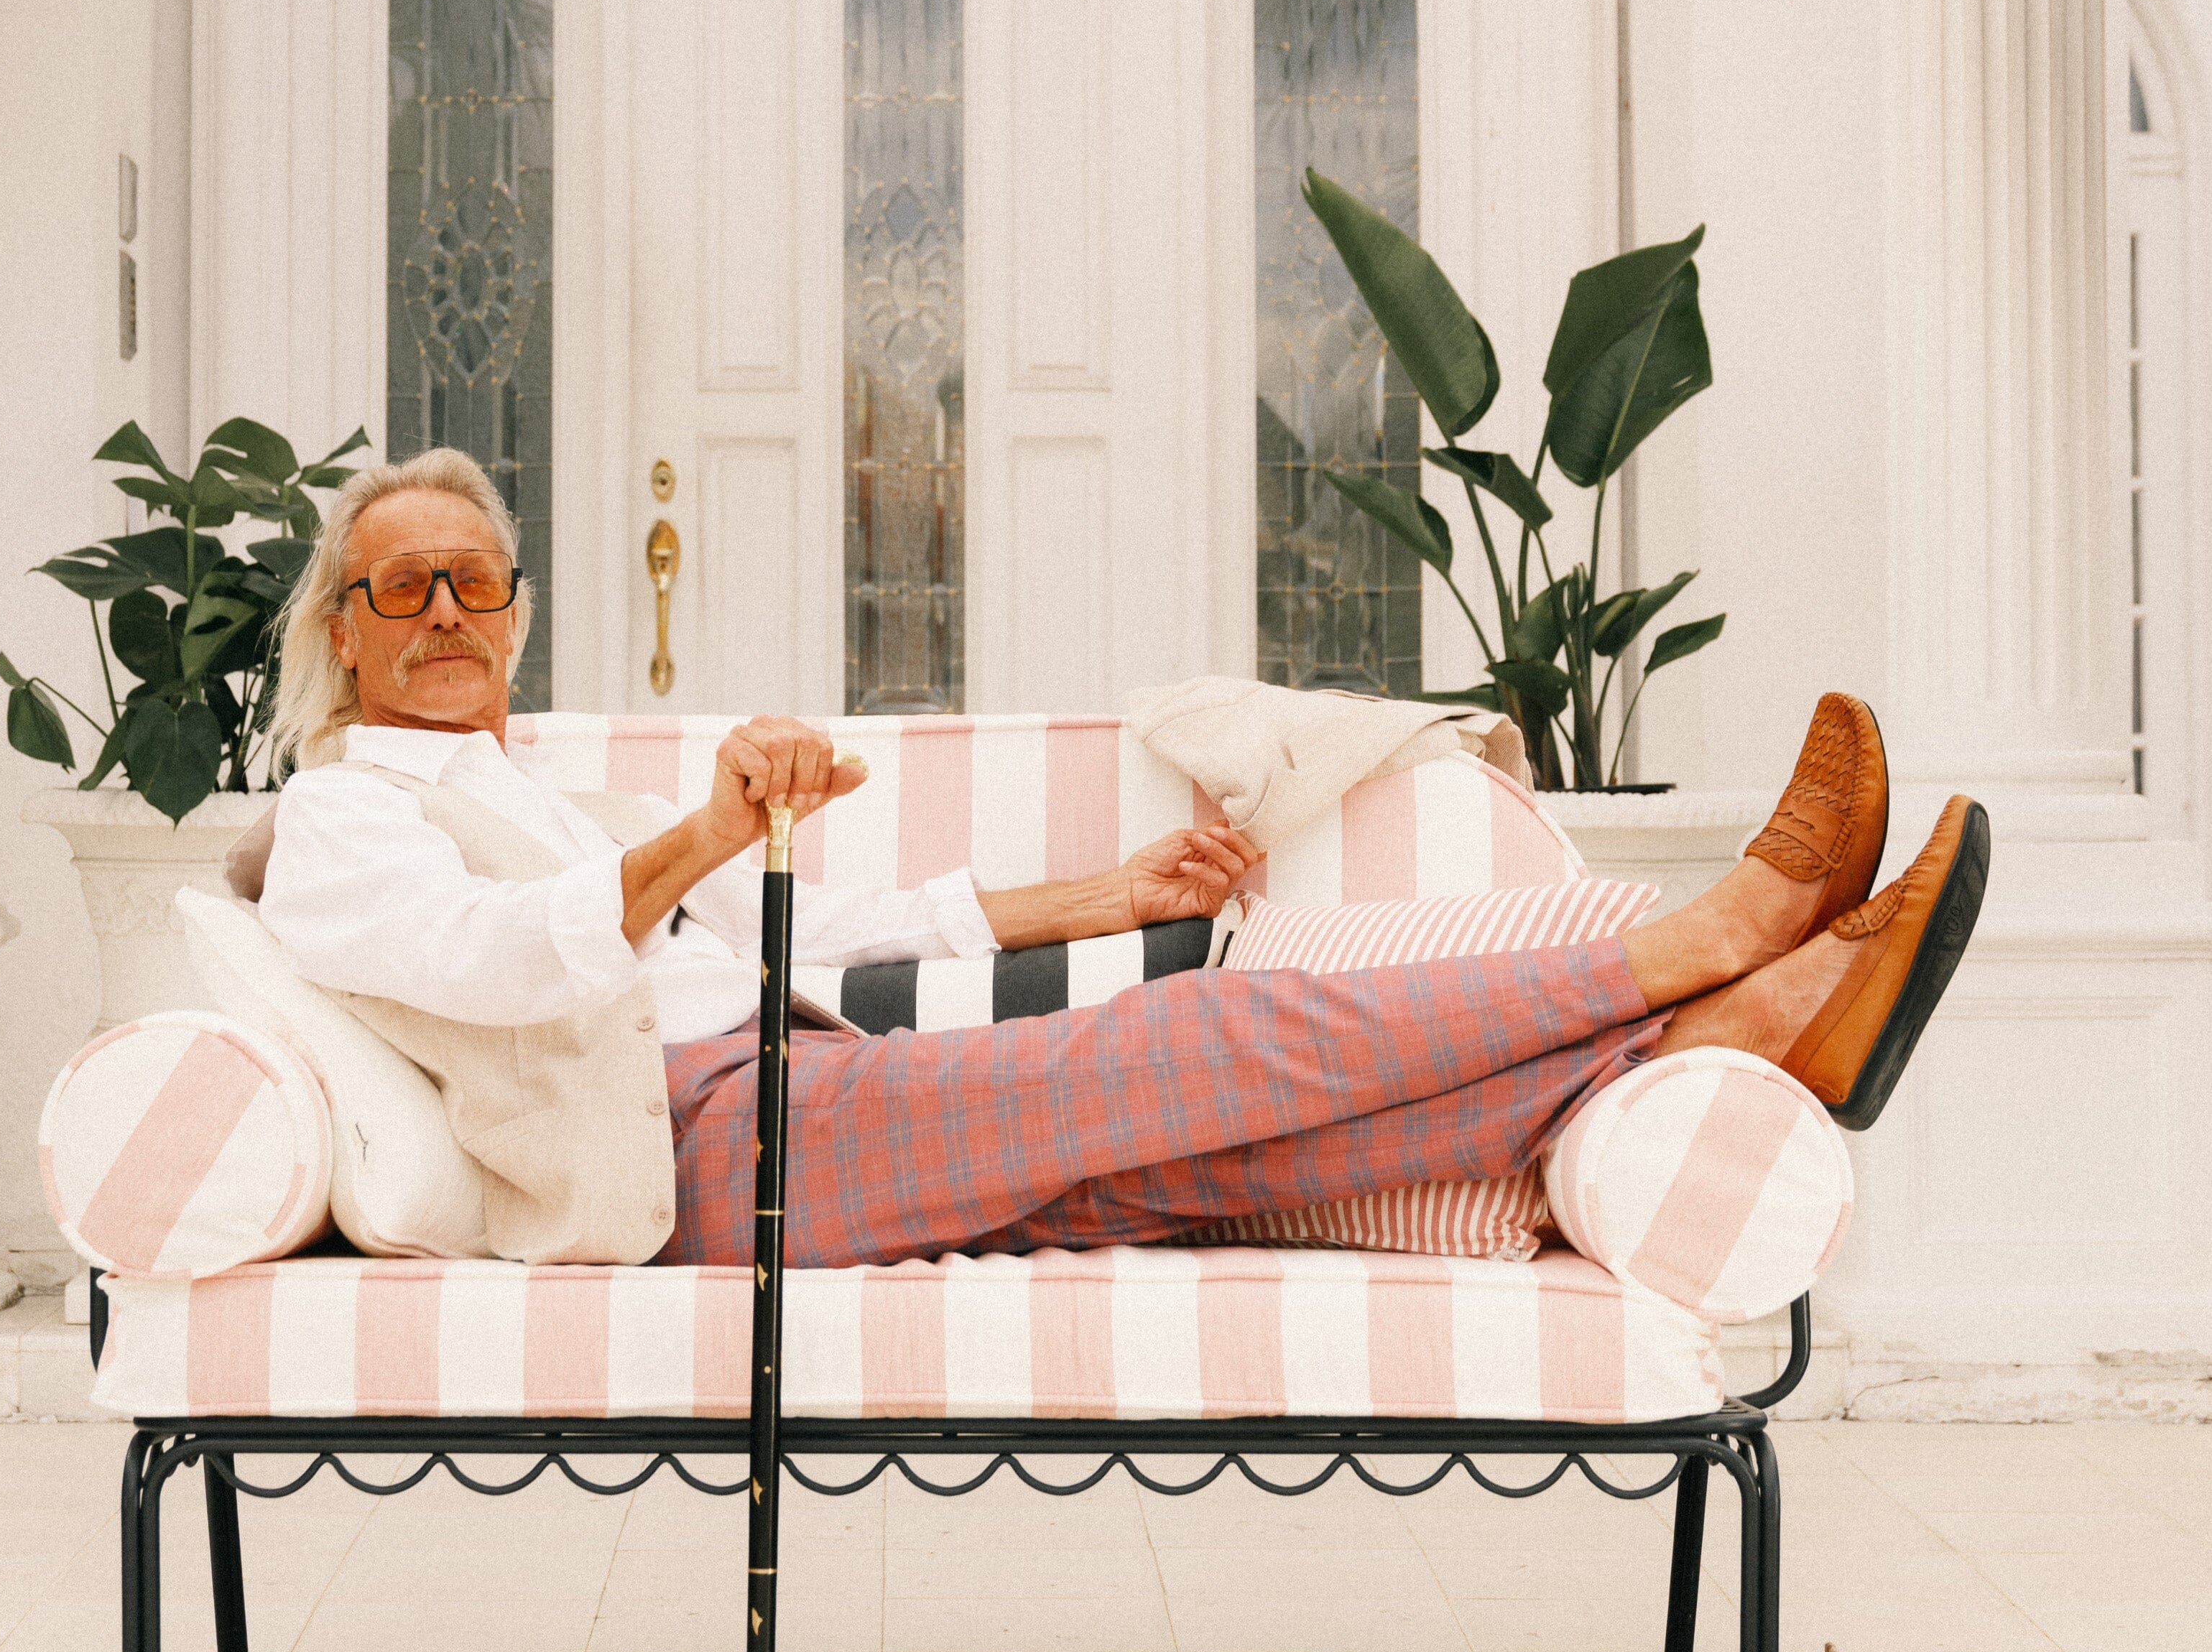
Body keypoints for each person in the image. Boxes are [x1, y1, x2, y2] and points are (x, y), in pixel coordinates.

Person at [241, 447, 1989, 1270]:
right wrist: (712, 820)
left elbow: (838, 921)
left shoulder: (533, 784)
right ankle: (1706, 947)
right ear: (350, 624)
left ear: (522, 614)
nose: (448, 611)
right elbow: (499, 962)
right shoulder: (340, 814)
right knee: (1219, 1042)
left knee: (1226, 1154)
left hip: (786, 1101)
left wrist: (1111, 897)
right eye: (406, 586)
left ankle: (1738, 1040)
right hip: (696, 1157)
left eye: (477, 580)